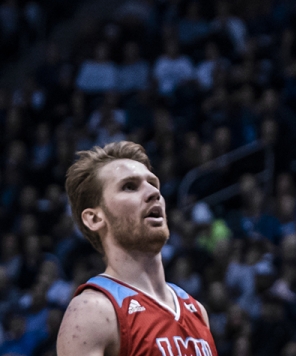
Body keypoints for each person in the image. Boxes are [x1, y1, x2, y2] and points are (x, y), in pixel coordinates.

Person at [56, 142, 217, 356]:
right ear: (94, 218)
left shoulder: (196, 310)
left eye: (153, 184)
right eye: (129, 186)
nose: (153, 193)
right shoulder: (93, 311)